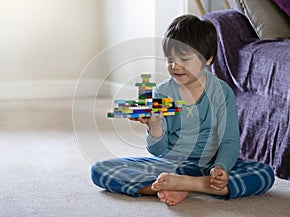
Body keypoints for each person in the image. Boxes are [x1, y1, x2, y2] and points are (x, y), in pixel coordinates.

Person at [91, 14, 275, 206]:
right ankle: (177, 185)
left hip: (210, 164)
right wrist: (155, 127)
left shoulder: (221, 92)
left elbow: (229, 141)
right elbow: (158, 150)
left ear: (208, 59)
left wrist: (221, 167)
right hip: (171, 165)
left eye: (184, 59)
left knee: (264, 174)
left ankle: (188, 184)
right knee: (100, 169)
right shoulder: (162, 92)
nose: (174, 66)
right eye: (169, 59)